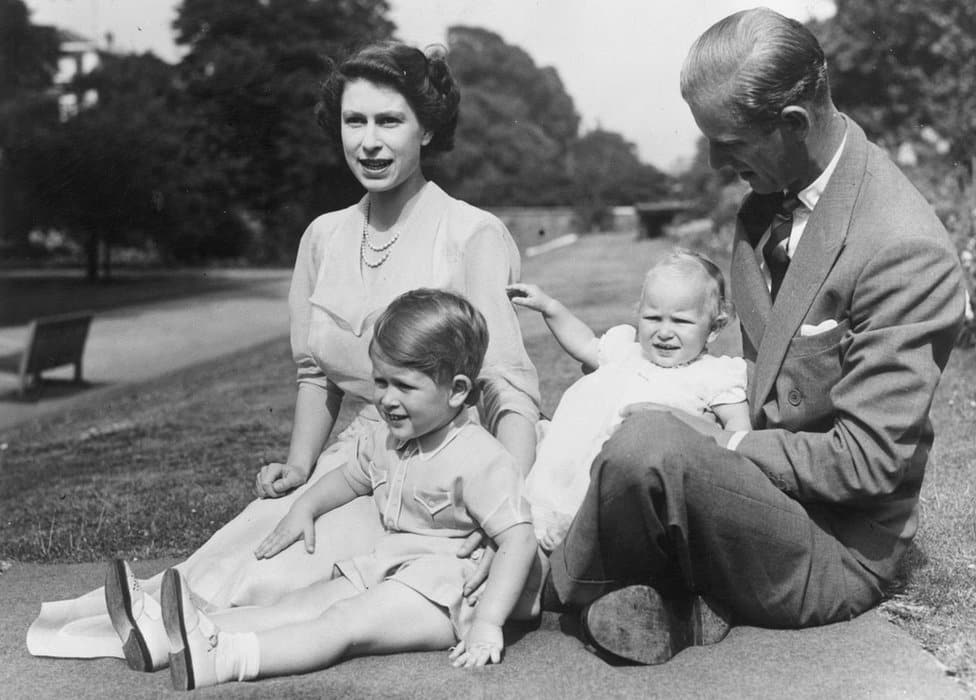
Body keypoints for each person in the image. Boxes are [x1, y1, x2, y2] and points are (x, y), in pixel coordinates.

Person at [27, 41, 540, 670]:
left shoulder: (471, 233)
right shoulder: (323, 236)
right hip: (356, 454)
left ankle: (195, 636)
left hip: (439, 470)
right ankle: (167, 619)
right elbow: (313, 374)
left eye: (390, 121)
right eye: (356, 122)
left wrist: (499, 517)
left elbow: (506, 388)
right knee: (255, 535)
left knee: (283, 569)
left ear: (428, 128)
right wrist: (300, 469)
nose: (370, 142)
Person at [542, 8, 967, 666]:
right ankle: (678, 596)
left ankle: (539, 587)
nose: (714, 162)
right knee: (625, 418)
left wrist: (725, 443)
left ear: (793, 124)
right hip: (757, 493)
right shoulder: (768, 202)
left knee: (648, 443)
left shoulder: (903, 247)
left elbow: (868, 462)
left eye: (728, 142)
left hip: (832, 543)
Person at [149, 289, 538, 690]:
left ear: (457, 390)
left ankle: (229, 659)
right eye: (380, 381)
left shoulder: (479, 457)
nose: (387, 399)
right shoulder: (392, 439)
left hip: (448, 592)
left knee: (343, 622)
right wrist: (307, 506)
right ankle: (179, 638)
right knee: (303, 604)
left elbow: (519, 538)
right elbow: (352, 477)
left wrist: (489, 622)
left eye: (404, 386)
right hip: (391, 565)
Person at [508, 251, 750, 551]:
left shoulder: (714, 375)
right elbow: (584, 343)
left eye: (680, 321)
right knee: (545, 480)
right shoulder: (627, 351)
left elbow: (739, 433)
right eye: (652, 318)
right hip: (575, 460)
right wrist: (549, 307)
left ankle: (580, 537)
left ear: (713, 328)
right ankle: (541, 530)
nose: (663, 331)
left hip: (633, 480)